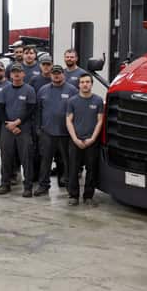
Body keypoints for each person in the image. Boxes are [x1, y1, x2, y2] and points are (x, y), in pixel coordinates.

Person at [0, 64, 37, 196]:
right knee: (6, 158)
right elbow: (1, 109)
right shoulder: (5, 90)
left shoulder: (29, 90)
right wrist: (9, 124)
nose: (16, 74)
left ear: (23, 74)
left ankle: (28, 187)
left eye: (19, 72)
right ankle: (5, 184)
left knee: (26, 158)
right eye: (14, 72)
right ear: (10, 75)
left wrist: (17, 123)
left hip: (23, 129)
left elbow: (31, 110)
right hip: (7, 129)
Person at [65, 74, 104, 206]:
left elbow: (100, 122)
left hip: (91, 142)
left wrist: (92, 138)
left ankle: (88, 196)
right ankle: (73, 196)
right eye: (82, 82)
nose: (85, 84)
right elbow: (69, 121)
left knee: (91, 169)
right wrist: (75, 139)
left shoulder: (98, 101)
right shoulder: (72, 101)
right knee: (73, 169)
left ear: (91, 84)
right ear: (79, 85)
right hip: (75, 141)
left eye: (87, 82)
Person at [35, 66, 75, 195]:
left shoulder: (72, 90)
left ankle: (70, 186)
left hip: (65, 133)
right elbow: (38, 111)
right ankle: (43, 185)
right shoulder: (43, 90)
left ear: (63, 74)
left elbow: (76, 111)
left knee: (67, 161)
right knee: (45, 160)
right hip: (47, 133)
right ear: (50, 75)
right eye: (54, 73)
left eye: (58, 73)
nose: (56, 76)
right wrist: (39, 128)